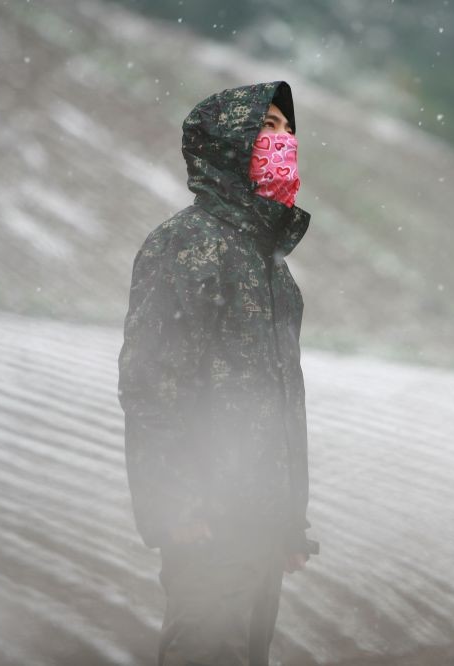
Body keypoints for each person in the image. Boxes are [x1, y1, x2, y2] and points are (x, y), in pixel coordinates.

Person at [117, 80, 318, 666]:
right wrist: (175, 506)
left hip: (260, 519)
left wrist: (288, 521)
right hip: (208, 520)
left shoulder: (268, 262)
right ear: (228, 145)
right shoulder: (186, 245)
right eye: (266, 128)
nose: (282, 141)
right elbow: (150, 383)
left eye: (287, 129)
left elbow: (281, 397)